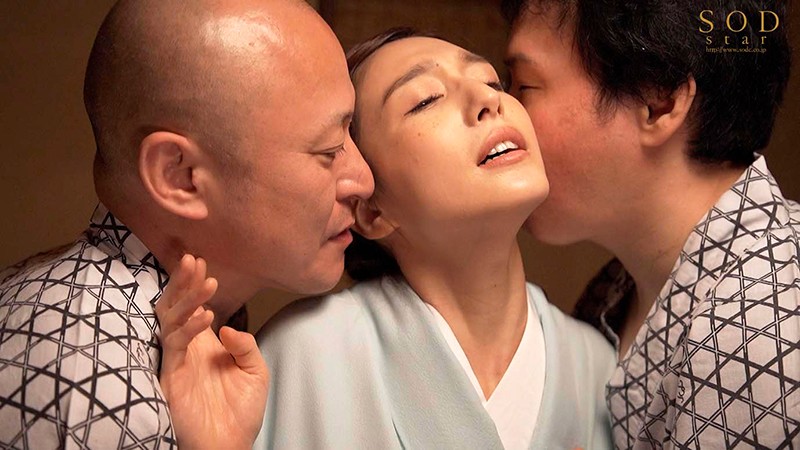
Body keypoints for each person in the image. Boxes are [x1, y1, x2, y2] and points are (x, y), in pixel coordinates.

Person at [0, 0, 373, 448]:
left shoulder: (164, 322)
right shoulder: (99, 383)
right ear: (179, 176)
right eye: (329, 150)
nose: (364, 180)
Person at [249, 28, 615, 449]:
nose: (488, 99)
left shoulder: (598, 369)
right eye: (425, 100)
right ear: (372, 211)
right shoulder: (304, 356)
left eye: (493, 81)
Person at [502, 0, 799, 447]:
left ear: (658, 101)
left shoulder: (762, 324)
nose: (504, 113)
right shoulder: (616, 290)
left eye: (524, 86)